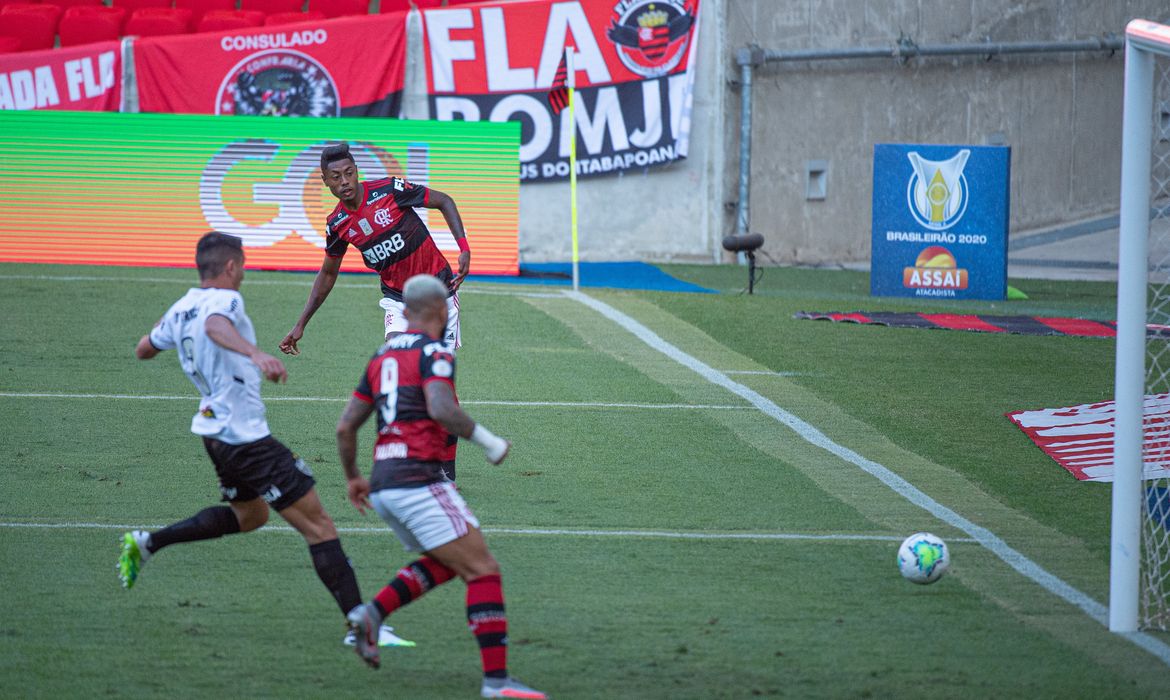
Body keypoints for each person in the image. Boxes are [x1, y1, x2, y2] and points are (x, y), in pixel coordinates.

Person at [120, 231, 367, 641]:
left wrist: (172, 325)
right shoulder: (225, 302)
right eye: (244, 266)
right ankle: (362, 624)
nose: (244, 274)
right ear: (231, 267)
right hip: (244, 437)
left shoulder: (183, 307)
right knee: (320, 526)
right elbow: (217, 326)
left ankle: (148, 543)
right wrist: (254, 353)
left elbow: (144, 349)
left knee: (250, 516)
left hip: (214, 433)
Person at [336, 274, 547, 700]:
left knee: (450, 558)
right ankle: (497, 683)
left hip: (383, 483)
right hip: (418, 480)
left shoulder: (381, 355)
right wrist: (490, 443)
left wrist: (354, 477)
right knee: (483, 568)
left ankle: (371, 614)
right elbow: (442, 407)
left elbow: (345, 427)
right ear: (440, 309)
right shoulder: (436, 351)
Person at [279, 142, 471, 354]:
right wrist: (300, 324)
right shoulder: (337, 224)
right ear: (325, 181)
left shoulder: (390, 190)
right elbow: (327, 273)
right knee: (397, 360)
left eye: (349, 173)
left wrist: (463, 248)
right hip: (398, 299)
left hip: (438, 289)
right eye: (336, 177)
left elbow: (444, 200)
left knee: (435, 369)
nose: (344, 182)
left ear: (356, 171)